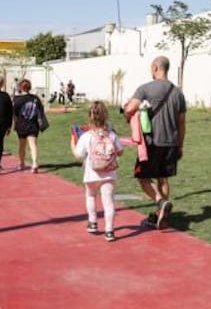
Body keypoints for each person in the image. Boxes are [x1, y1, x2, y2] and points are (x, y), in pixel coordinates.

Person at [122, 56, 186, 229]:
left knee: (142, 178)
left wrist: (126, 110)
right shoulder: (178, 93)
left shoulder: (145, 89)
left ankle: (159, 202)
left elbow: (129, 109)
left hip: (151, 143)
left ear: (156, 68)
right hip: (171, 143)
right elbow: (181, 122)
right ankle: (161, 215)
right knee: (163, 178)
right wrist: (180, 145)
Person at [71, 101, 124, 242]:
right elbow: (120, 152)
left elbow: (78, 155)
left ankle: (93, 222)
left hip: (92, 173)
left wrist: (72, 142)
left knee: (91, 196)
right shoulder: (112, 135)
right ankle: (109, 230)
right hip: (109, 173)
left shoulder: (86, 136)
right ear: (106, 116)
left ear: (90, 117)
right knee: (108, 202)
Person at [12, 79, 44, 173]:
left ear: (20, 88)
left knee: (22, 145)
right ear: (29, 87)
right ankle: (34, 163)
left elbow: (15, 114)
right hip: (33, 124)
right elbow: (40, 111)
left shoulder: (17, 99)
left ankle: (22, 163)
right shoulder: (35, 98)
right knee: (33, 145)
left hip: (21, 125)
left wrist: (14, 124)